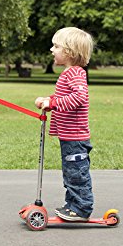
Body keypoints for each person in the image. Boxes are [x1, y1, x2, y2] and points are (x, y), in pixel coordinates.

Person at [35, 27, 94, 222]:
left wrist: (52, 103)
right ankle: (73, 204)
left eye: (56, 46)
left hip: (75, 138)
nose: (52, 50)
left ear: (69, 51)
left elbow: (79, 97)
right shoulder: (69, 73)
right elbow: (63, 98)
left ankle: (82, 208)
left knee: (77, 173)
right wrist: (49, 100)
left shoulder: (75, 73)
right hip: (68, 136)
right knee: (70, 172)